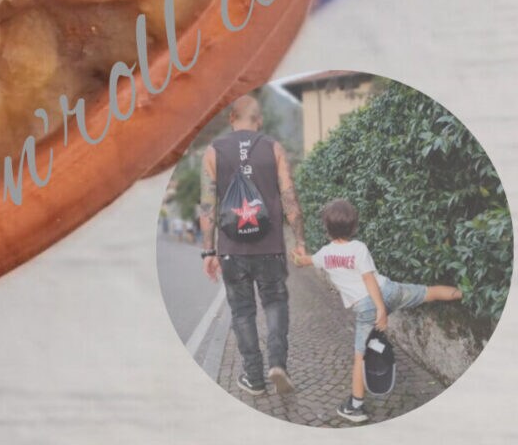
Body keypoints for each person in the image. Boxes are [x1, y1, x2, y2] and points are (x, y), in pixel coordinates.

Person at [312, 197, 464, 424]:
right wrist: (382, 306)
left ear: (326, 227)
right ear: (354, 226)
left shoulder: (324, 254)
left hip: (369, 307)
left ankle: (355, 407)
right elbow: (370, 278)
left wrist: (381, 310)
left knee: (360, 357)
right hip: (389, 291)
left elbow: (366, 279)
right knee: (428, 292)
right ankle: (469, 294)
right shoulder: (358, 248)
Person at [198, 94, 309, 397]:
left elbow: (207, 206)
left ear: (231, 118)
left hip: (232, 251)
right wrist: (300, 241)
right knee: (275, 303)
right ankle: (278, 364)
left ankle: (254, 377)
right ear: (259, 120)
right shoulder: (273, 148)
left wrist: (209, 251)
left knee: (242, 312)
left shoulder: (213, 152)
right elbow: (289, 198)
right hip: (270, 247)